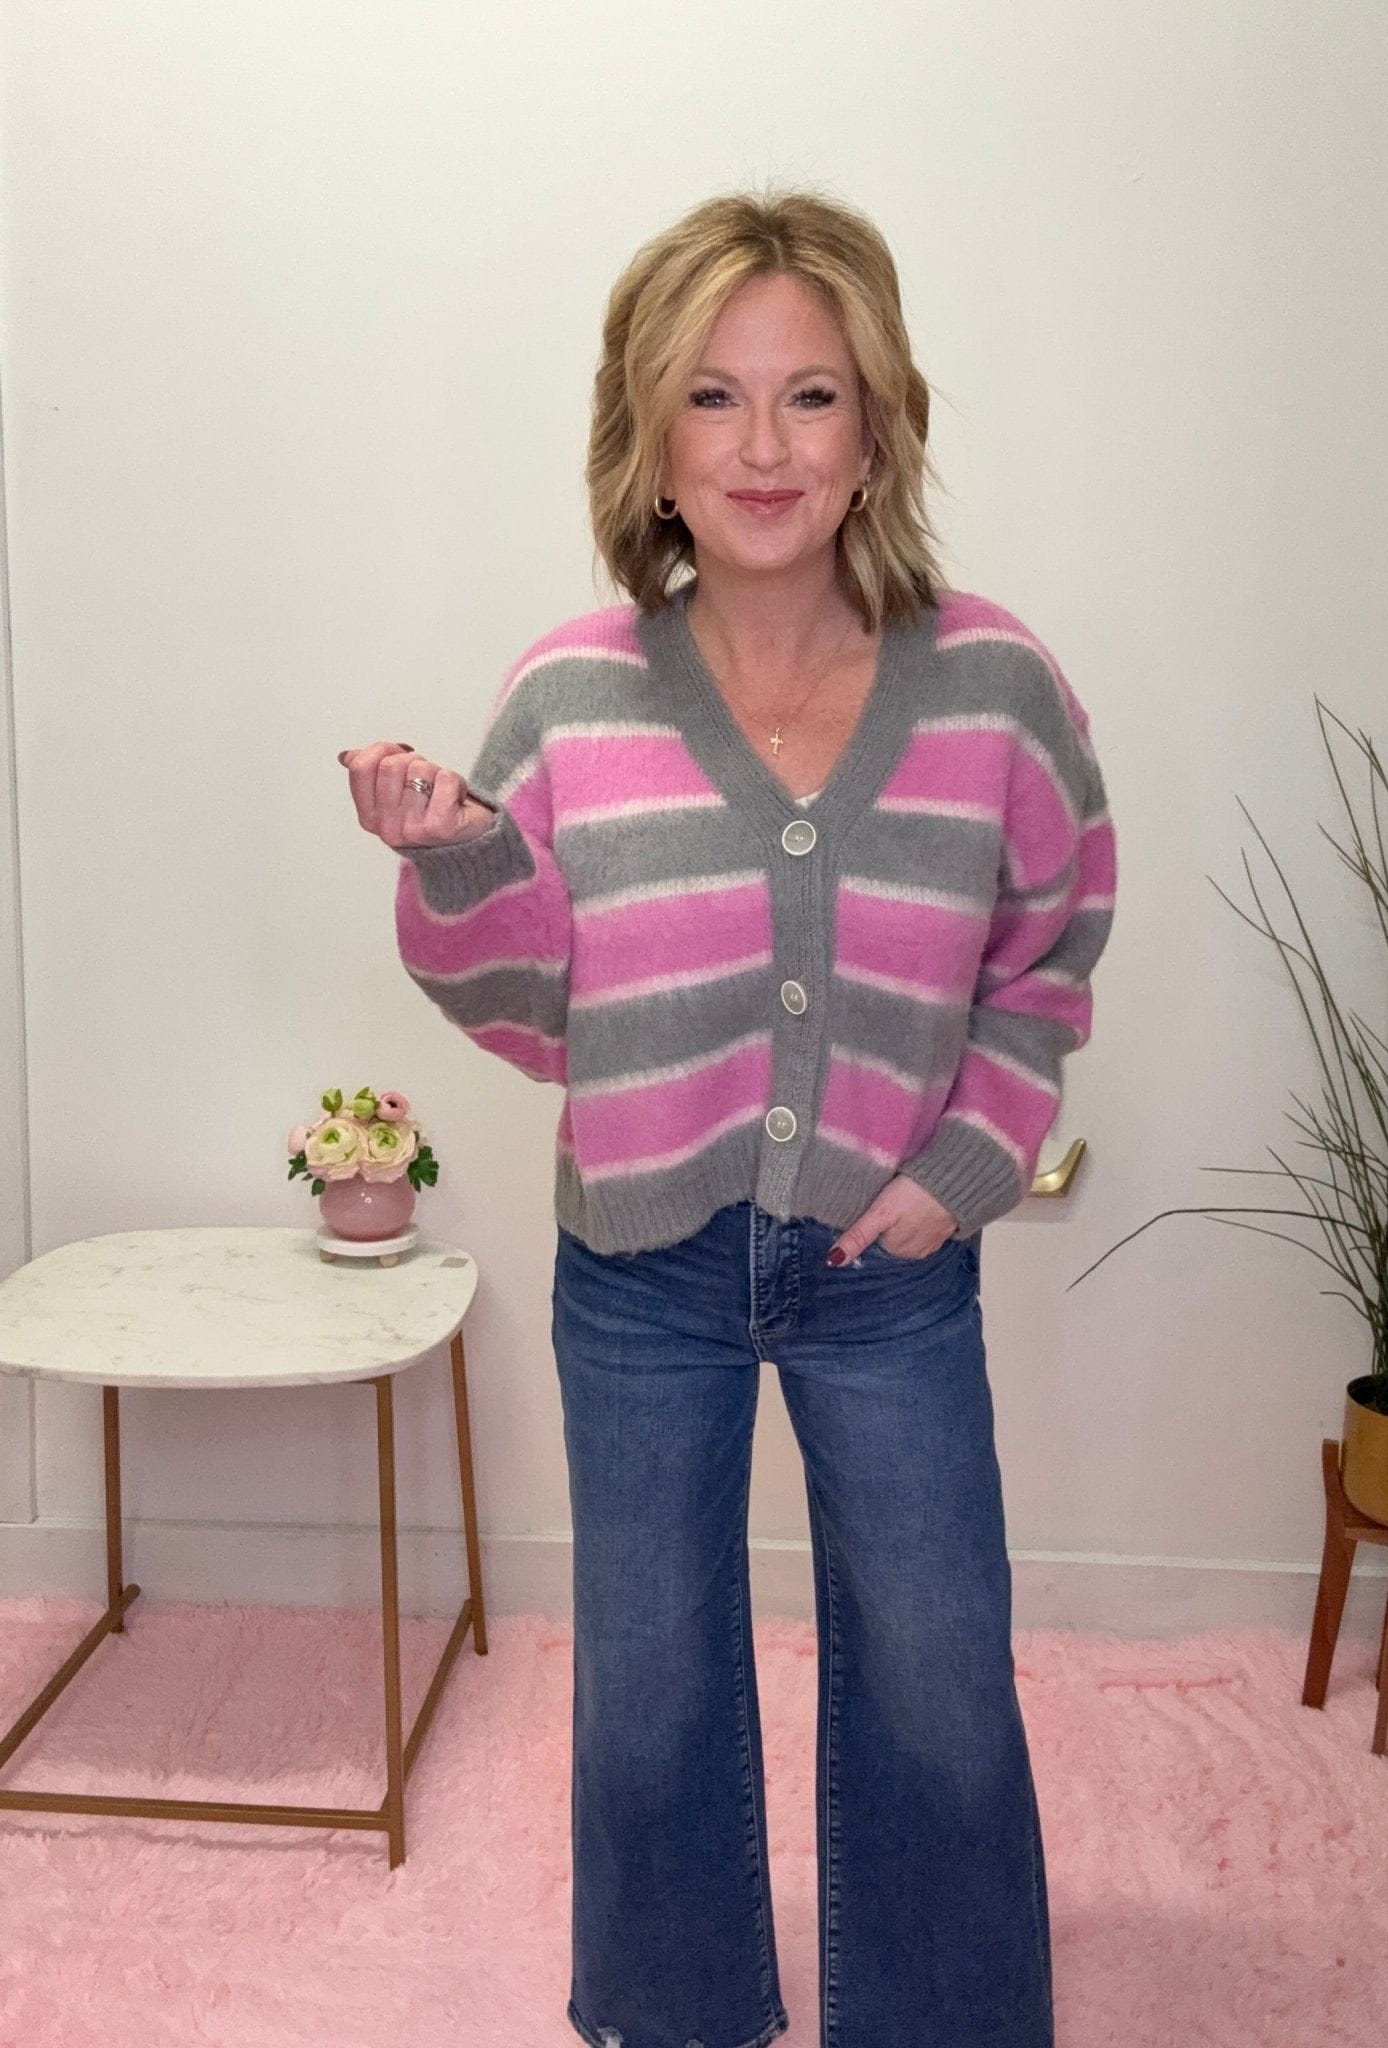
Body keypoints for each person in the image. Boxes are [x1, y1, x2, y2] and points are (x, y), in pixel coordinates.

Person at [341, 186, 1116, 2048]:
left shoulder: (994, 688)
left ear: (877, 428)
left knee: (938, 1670)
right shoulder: (571, 698)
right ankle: (675, 2013)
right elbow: (539, 1011)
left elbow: (1051, 945)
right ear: (652, 441)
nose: (764, 447)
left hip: (887, 1266)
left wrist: (966, 1163)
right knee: (651, 1683)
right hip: (642, 1270)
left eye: (810, 395)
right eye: (713, 396)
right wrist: (457, 865)